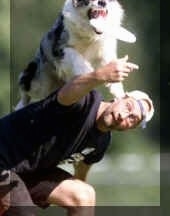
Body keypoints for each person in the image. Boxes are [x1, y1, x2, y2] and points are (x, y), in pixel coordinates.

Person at [0, 56, 154, 216]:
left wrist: (70, 193)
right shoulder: (83, 101)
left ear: (130, 128)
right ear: (119, 98)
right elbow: (68, 92)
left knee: (84, 196)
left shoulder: (100, 142)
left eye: (132, 119)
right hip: (3, 160)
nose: (124, 116)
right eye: (128, 107)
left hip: (27, 174)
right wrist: (100, 75)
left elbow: (81, 172)